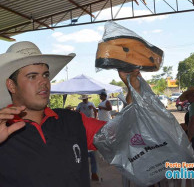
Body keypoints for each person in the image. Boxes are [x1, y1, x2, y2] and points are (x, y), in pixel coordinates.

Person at [0, 41, 140, 187]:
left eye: (45, 75)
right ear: (11, 85)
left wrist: (134, 87)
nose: (44, 82)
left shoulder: (73, 120)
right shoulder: (3, 129)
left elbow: (123, 132)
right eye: (32, 76)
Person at [76, 94, 99, 181]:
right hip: (82, 123)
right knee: (85, 153)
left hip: (90, 122)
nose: (84, 100)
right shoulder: (80, 105)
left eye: (85, 99)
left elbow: (96, 111)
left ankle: (94, 172)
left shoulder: (91, 103)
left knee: (92, 153)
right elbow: (77, 112)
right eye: (83, 99)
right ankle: (85, 173)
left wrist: (94, 115)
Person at [180, 86, 194, 159]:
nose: (188, 100)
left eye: (188, 97)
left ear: (193, 95)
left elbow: (193, 123)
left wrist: (189, 138)